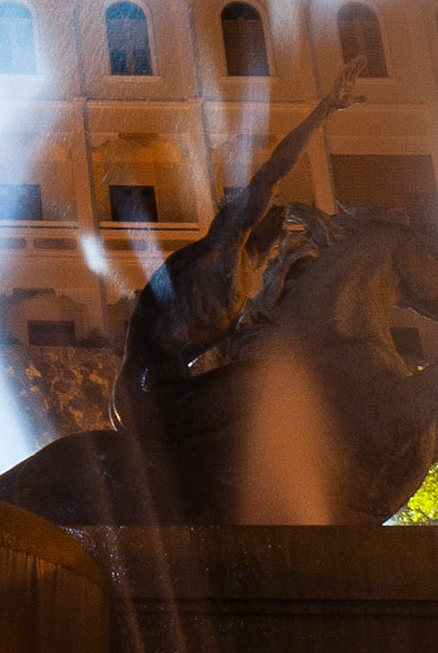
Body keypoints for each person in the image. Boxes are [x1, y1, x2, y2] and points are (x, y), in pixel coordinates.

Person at [114, 57, 363, 436]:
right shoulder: (224, 247)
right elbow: (273, 171)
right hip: (148, 388)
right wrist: (324, 109)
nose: (280, 225)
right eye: (274, 215)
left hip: (171, 386)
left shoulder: (248, 281)